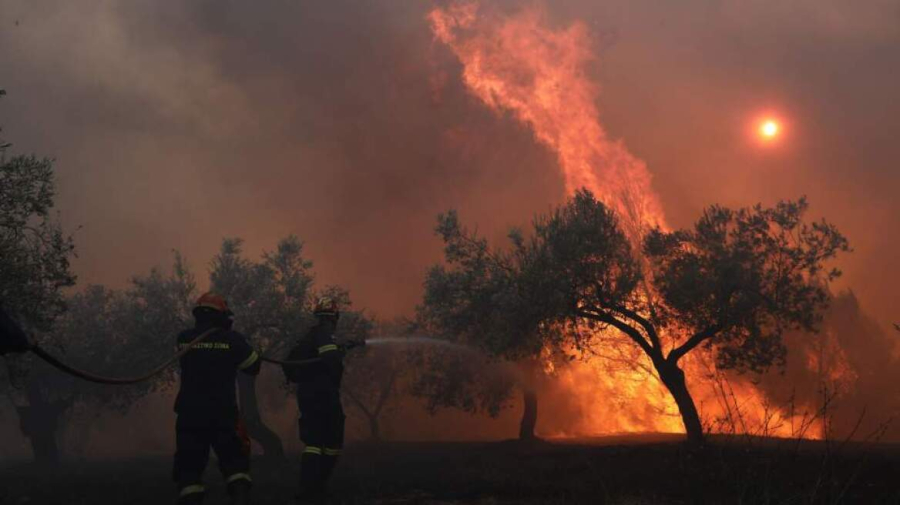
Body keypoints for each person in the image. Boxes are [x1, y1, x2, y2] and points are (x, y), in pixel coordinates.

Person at [173, 293, 260, 505]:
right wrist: (237, 340)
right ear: (221, 316)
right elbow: (253, 366)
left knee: (189, 467)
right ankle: (240, 498)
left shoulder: (184, 338)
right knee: (235, 463)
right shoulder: (232, 340)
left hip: (190, 414)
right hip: (223, 413)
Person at [283, 297, 346, 504]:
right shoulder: (324, 334)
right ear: (334, 317)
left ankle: (308, 488)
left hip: (308, 394)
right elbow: (331, 361)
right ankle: (316, 487)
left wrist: (339, 349)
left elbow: (322, 355)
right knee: (332, 441)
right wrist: (339, 356)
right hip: (324, 394)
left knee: (313, 443)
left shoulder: (310, 336)